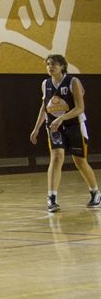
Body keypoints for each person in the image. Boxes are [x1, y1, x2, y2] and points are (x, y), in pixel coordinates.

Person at [29, 54, 100, 212]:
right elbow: (44, 107)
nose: (50, 67)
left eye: (53, 64)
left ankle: (95, 192)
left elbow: (80, 108)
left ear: (62, 66)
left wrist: (62, 118)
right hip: (54, 126)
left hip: (75, 125)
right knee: (56, 157)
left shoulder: (73, 82)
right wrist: (37, 128)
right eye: (48, 64)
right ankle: (52, 198)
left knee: (80, 161)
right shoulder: (45, 84)